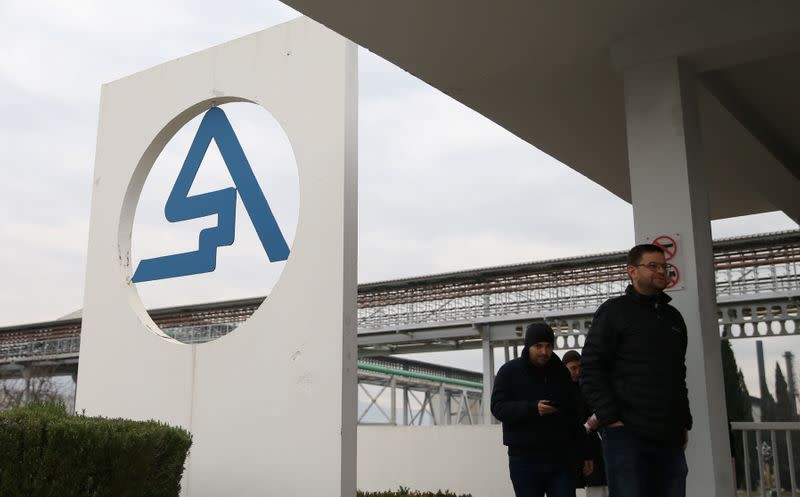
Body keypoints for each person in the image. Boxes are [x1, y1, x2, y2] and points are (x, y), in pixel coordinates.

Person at [580, 244, 692, 497]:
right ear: (632, 271)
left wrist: (683, 421)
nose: (661, 271)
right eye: (653, 266)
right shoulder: (613, 312)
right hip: (627, 435)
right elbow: (591, 368)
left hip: (669, 435)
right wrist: (610, 418)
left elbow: (678, 374)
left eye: (664, 266)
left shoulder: (673, 318)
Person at [491, 322, 586, 497]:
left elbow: (573, 415)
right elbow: (498, 407)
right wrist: (532, 409)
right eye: (538, 346)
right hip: (524, 459)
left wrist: (584, 453)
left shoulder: (561, 374)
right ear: (528, 346)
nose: (544, 351)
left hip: (561, 458)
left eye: (548, 346)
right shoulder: (509, 372)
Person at [562, 350, 607, 497]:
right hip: (570, 447)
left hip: (592, 445)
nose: (577, 371)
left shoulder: (589, 387)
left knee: (597, 485)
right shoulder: (561, 391)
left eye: (580, 367)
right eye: (573, 368)